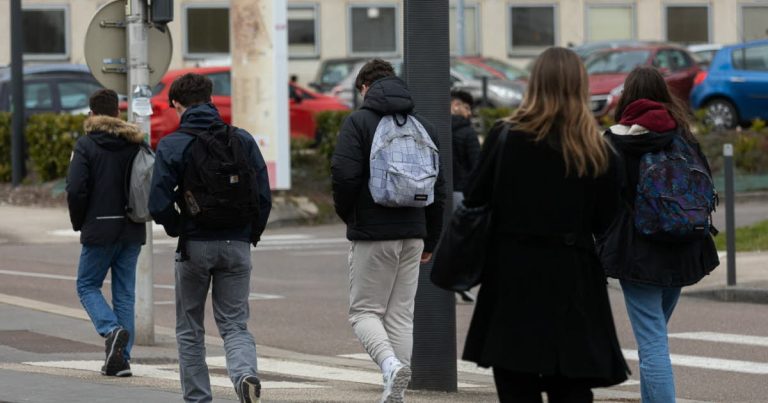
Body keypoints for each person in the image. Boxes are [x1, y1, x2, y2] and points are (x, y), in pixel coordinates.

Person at [461, 47, 629, 403]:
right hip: (574, 280)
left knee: (515, 384)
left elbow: (474, 196)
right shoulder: (597, 149)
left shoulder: (505, 137)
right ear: (580, 87)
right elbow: (607, 219)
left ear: (534, 84)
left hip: (512, 279)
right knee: (572, 387)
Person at [598, 66, 719, 403]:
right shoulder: (683, 136)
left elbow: (602, 201)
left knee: (652, 342)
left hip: (638, 254)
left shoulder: (615, 140)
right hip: (684, 244)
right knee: (656, 336)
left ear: (627, 97)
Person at [149, 73, 272, 403]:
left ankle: (198, 398)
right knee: (235, 324)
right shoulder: (242, 140)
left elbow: (157, 202)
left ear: (177, 104)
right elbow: (263, 195)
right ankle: (244, 374)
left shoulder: (174, 144)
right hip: (237, 245)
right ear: (210, 98)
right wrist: (250, 235)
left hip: (195, 246)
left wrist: (179, 228)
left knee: (190, 328)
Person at [331, 59, 446, 403]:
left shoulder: (359, 123)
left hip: (373, 232)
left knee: (364, 311)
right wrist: (431, 238)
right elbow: (438, 190)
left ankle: (390, 365)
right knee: (400, 315)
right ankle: (396, 389)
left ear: (365, 87)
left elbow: (344, 176)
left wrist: (350, 216)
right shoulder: (422, 125)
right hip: (414, 232)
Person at [66, 88, 145, 377]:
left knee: (86, 285)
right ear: (118, 113)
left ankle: (111, 330)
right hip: (132, 228)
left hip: (99, 228)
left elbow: (76, 189)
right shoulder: (136, 143)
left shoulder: (86, 145)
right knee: (124, 295)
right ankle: (121, 360)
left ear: (91, 114)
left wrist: (79, 222)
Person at [450, 89, 481, 303]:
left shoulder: (437, 127)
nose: (469, 114)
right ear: (456, 105)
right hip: (462, 192)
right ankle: (459, 280)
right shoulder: (467, 133)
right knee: (462, 239)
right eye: (467, 107)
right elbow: (477, 166)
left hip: (441, 192)